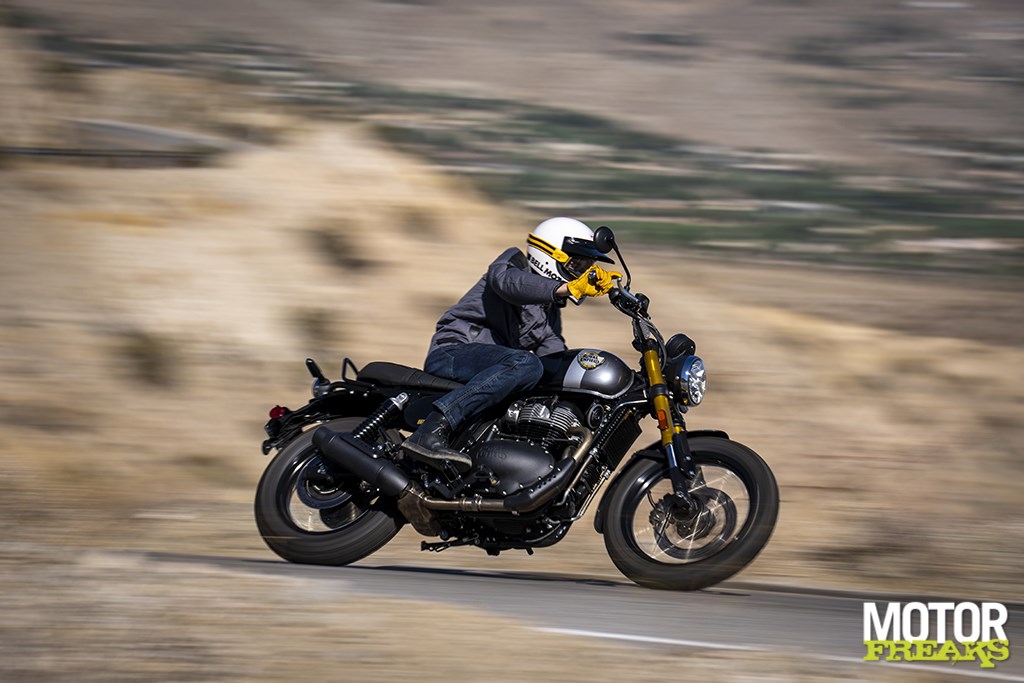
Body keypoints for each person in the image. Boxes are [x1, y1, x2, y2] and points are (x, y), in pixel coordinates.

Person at [403, 217, 620, 470]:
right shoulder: (513, 263)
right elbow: (508, 284)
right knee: (527, 363)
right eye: (577, 264)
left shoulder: (548, 314)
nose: (581, 273)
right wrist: (566, 288)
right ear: (550, 254)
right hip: (452, 351)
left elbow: (555, 360)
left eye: (586, 267)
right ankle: (432, 429)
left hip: (491, 370)